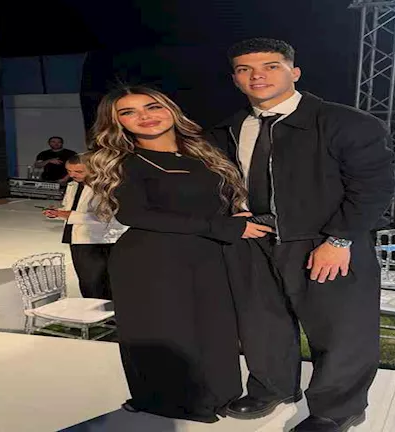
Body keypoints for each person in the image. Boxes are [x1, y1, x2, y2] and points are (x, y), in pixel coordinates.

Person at [207, 38, 395, 432]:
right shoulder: (228, 128)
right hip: (254, 240)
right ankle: (272, 387)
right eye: (245, 69)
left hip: (325, 241)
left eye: (270, 66)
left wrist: (339, 239)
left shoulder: (345, 122)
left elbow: (374, 188)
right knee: (262, 322)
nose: (257, 76)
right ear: (235, 79)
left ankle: (337, 409)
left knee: (340, 328)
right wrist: (232, 211)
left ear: (294, 72)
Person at [85, 85, 274, 422]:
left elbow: (208, 201)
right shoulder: (126, 162)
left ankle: (219, 396)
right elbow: (135, 215)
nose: (144, 116)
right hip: (152, 261)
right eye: (128, 112)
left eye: (152, 107)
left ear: (170, 110)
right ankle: (170, 402)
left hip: (207, 254)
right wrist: (223, 227)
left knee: (214, 328)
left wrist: (234, 215)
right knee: (168, 332)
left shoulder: (203, 152)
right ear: (118, 123)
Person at [43, 152, 126, 300]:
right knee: (87, 281)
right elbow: (71, 208)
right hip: (77, 238)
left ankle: (105, 310)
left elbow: (106, 217)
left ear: (93, 169)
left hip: (99, 240)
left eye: (78, 171)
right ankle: (93, 309)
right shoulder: (73, 185)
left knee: (98, 282)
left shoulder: (105, 187)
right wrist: (57, 212)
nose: (72, 175)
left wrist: (67, 214)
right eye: (69, 171)